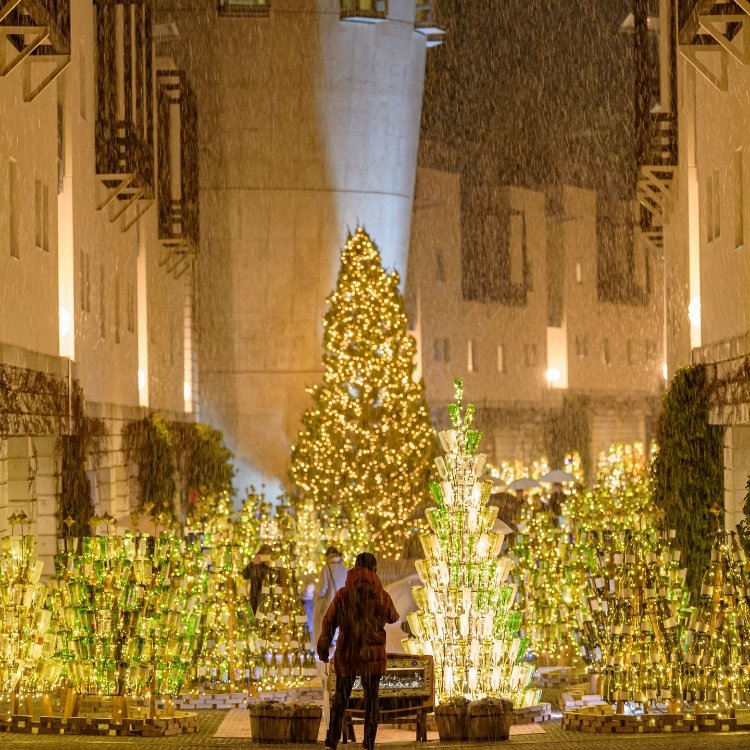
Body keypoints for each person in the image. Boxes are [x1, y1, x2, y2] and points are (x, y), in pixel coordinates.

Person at [317, 552, 399, 750]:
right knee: (372, 700)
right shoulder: (381, 595)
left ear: (353, 568)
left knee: (341, 698)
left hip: (348, 653)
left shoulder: (344, 594)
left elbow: (329, 620)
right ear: (375, 570)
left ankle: (332, 740)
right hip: (373, 655)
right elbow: (393, 617)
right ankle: (368, 742)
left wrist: (324, 644)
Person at [314, 546, 348, 646]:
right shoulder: (344, 568)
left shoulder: (327, 568)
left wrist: (317, 596)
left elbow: (322, 589)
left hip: (330, 603)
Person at [241, 544, 272, 613]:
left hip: (271, 601)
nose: (266, 556)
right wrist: (253, 563)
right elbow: (244, 575)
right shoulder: (256, 567)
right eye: (264, 553)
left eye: (268, 553)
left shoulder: (275, 566)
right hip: (256, 600)